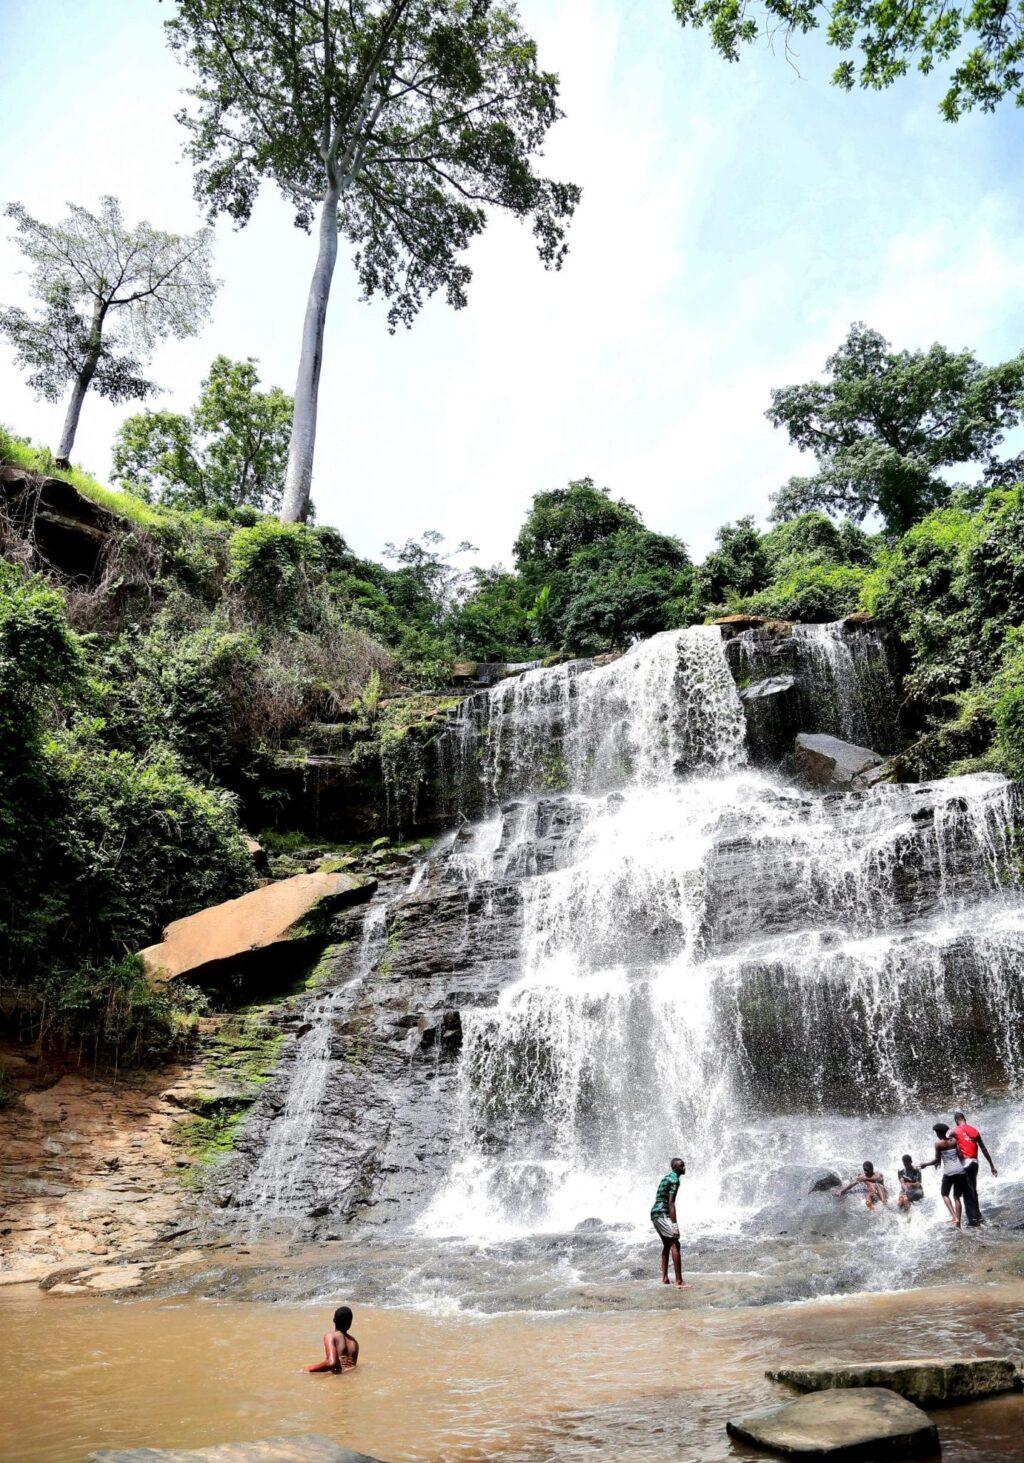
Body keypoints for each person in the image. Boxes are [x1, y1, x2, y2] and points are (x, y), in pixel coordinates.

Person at [951, 1109, 997, 1228]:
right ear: (964, 1119)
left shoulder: (954, 1132)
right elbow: (984, 1149)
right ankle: (978, 1216)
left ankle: (973, 1220)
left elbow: (950, 1148)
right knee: (973, 1190)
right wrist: (992, 1165)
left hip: (965, 1164)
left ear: (956, 1121)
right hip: (975, 1163)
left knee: (967, 1192)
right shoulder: (974, 1130)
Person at [650, 1157, 688, 1288]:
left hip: (655, 1213)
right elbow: (671, 1203)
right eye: (681, 1166)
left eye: (683, 1165)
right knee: (675, 1243)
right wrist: (675, 1225)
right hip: (661, 1213)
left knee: (667, 1244)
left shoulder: (667, 1177)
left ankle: (665, 1278)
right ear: (675, 1167)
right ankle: (679, 1281)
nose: (684, 1168)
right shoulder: (674, 1179)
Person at [920, 1123, 967, 1228]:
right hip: (960, 1171)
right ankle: (958, 1224)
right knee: (957, 1197)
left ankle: (954, 1216)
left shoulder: (938, 1144)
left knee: (945, 1194)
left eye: (936, 1132)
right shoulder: (954, 1140)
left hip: (949, 1173)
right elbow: (960, 1155)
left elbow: (937, 1159)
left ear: (938, 1133)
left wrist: (925, 1165)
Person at [303, 1305, 359, 1374]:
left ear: (334, 1320)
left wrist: (308, 1369)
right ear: (350, 1323)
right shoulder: (354, 1342)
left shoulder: (331, 1336)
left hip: (338, 1380)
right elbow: (350, 1367)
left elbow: (332, 1363)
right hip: (352, 1379)